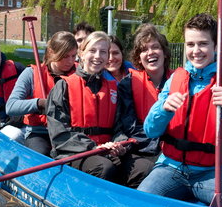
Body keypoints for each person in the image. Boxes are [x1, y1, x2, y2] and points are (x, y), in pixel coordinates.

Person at [137, 13, 222, 207]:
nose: (196, 51)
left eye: (203, 44)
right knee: (141, 201)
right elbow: (150, 131)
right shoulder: (175, 80)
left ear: (216, 46)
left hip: (215, 173)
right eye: (190, 44)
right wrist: (163, 110)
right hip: (171, 169)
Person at [46, 31, 153, 187]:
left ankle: (121, 202)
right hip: (74, 152)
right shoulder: (63, 86)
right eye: (92, 51)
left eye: (103, 52)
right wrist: (94, 148)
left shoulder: (113, 89)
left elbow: (119, 128)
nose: (98, 56)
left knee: (145, 168)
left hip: (107, 151)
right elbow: (59, 134)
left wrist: (120, 144)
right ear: (81, 54)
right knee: (103, 168)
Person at [6, 31, 78, 156]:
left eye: (73, 56)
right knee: (41, 153)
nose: (70, 61)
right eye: (65, 56)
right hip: (40, 132)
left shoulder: (80, 74)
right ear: (51, 52)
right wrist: (40, 103)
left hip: (70, 132)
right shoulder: (31, 73)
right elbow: (11, 106)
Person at [114, 24, 173, 161]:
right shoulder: (127, 85)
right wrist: (160, 145)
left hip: (176, 148)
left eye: (155, 47)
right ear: (139, 58)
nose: (150, 52)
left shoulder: (181, 81)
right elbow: (130, 127)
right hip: (144, 149)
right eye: (144, 50)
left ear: (164, 52)